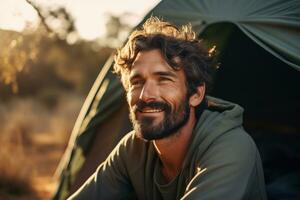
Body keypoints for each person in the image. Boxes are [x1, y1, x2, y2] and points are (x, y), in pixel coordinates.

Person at [68, 17, 267, 200]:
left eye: (163, 79)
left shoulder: (232, 148)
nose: (145, 95)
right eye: (136, 82)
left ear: (196, 94)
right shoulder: (133, 149)